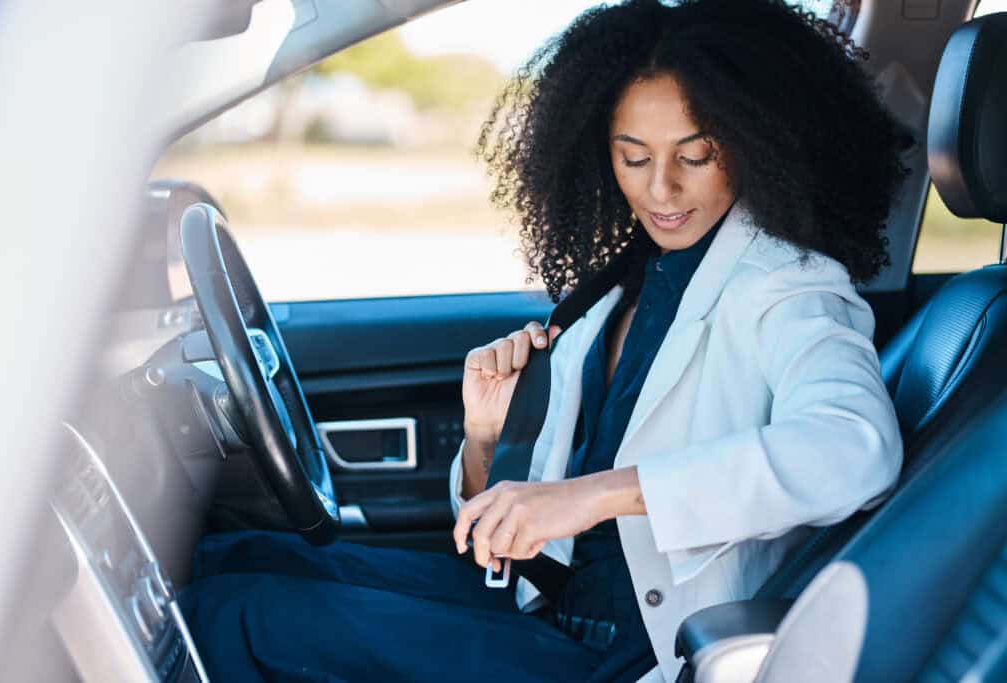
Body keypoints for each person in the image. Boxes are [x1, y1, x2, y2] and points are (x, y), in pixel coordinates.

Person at [181, 1, 908, 680]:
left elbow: (855, 448)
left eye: (697, 154)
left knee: (240, 618)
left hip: (630, 652)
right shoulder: (628, 280)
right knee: (228, 558)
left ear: (752, 144)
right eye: (634, 156)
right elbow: (525, 523)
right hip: (544, 609)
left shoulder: (789, 284)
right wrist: (484, 437)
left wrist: (595, 496)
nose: (662, 189)